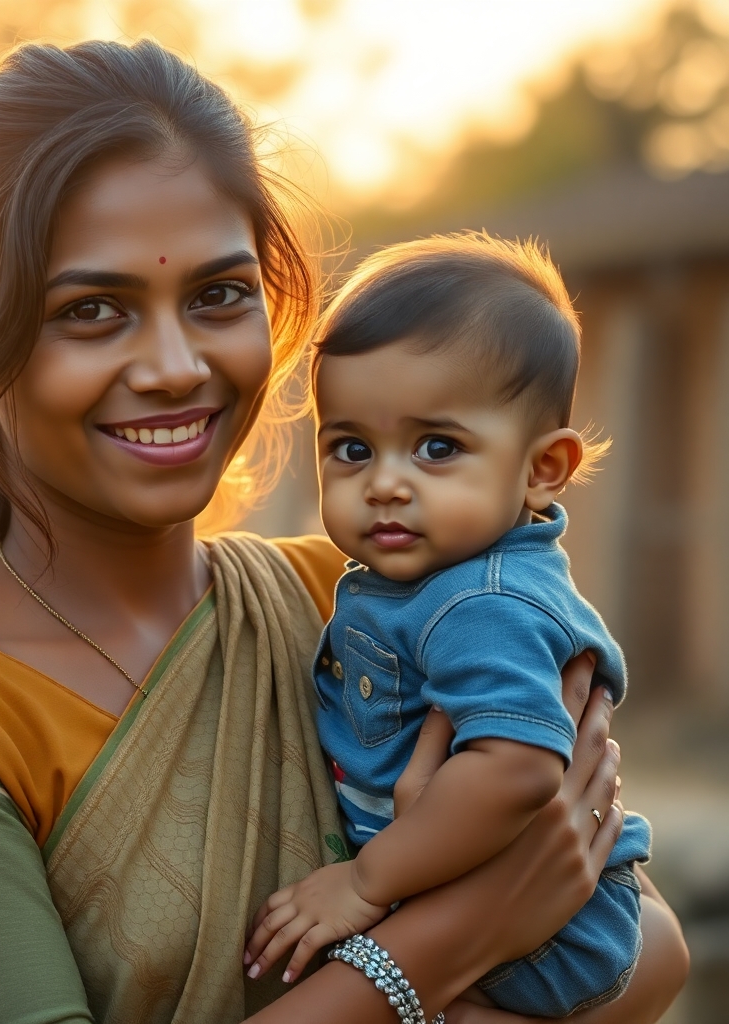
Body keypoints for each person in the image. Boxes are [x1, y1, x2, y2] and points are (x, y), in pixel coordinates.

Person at [0, 40, 688, 1024]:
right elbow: (543, 897)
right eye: (92, 309)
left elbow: (649, 944)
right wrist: (455, 933)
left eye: (216, 295)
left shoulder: (361, 595)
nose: (174, 365)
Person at [244, 235, 662, 1017]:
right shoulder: (421, 582)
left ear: (542, 469)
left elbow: (518, 770)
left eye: (438, 447)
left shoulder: (481, 603)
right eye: (352, 448)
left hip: (551, 940)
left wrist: (368, 883)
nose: (386, 484)